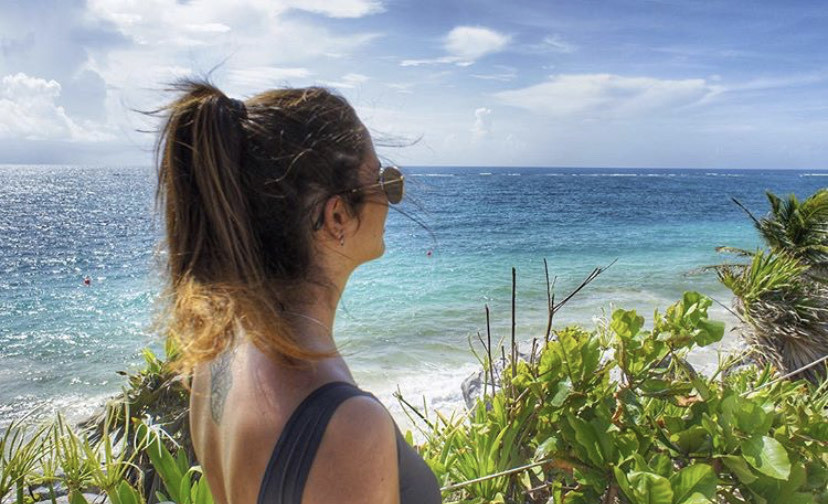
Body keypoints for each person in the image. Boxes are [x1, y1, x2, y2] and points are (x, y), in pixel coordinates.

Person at [154, 81, 441, 504]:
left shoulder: (217, 352)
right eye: (383, 180)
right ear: (337, 215)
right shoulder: (348, 426)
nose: (391, 196)